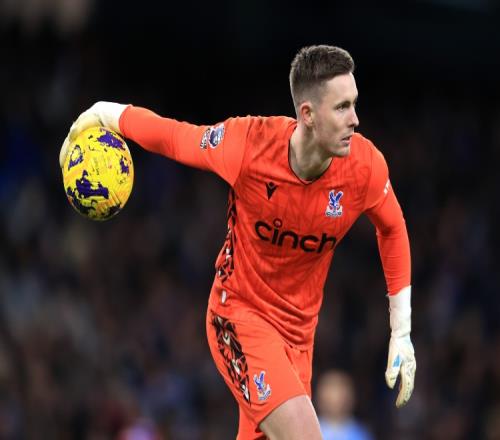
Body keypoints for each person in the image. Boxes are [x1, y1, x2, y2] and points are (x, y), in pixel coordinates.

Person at [59, 45, 416, 440]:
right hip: (238, 317)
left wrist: (401, 329)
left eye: (354, 104)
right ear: (308, 114)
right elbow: (173, 137)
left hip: (298, 339)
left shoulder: (365, 168)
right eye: (342, 107)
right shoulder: (248, 144)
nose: (355, 119)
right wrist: (105, 113)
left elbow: (392, 228)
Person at [316, 369, 373, 440]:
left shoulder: (361, 434)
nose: (335, 395)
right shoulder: (309, 430)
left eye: (340, 387)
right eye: (329, 387)